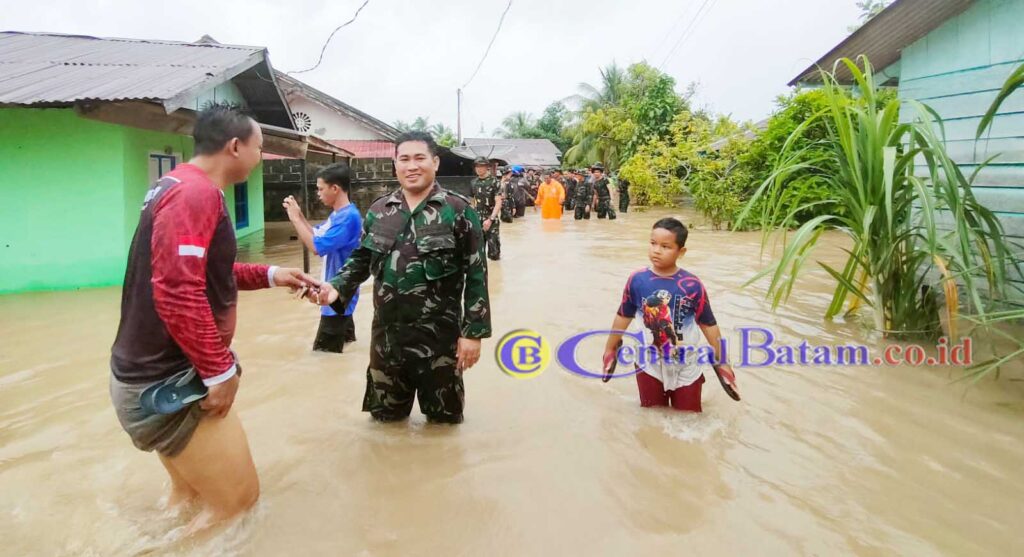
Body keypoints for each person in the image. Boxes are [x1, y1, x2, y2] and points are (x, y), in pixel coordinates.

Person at [109, 104, 319, 534]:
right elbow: (177, 291)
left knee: (189, 499)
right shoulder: (196, 194)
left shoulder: (175, 185)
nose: (260, 157)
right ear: (236, 146)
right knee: (239, 507)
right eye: (259, 148)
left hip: (147, 373)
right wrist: (219, 371)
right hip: (167, 380)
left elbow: (203, 274)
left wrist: (272, 274)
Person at [314, 132, 491, 424]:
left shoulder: (458, 210)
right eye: (404, 159)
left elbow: (476, 273)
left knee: (443, 426)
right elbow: (361, 259)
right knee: (385, 425)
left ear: (435, 162)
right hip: (387, 342)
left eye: (419, 158)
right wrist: (335, 287)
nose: (412, 166)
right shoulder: (379, 211)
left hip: (440, 343)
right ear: (395, 164)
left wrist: (473, 334)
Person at [601, 218, 737, 412]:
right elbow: (623, 315)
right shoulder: (637, 280)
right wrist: (609, 349)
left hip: (686, 362)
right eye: (653, 243)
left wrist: (723, 361)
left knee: (689, 416)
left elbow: (708, 325)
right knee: (652, 414)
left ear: (681, 252)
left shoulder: (692, 285)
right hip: (649, 360)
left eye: (666, 246)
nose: (656, 250)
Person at [282, 163, 362, 352]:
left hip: (337, 292)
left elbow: (317, 247)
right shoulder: (339, 215)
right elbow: (316, 236)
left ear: (335, 189)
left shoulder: (348, 217)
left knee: (324, 354)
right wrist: (300, 216)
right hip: (341, 290)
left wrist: (294, 219)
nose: (318, 194)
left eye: (320, 189)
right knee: (346, 347)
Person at [470, 156, 503, 260]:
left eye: (481, 166)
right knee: (478, 253)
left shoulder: (495, 182)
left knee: (494, 254)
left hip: (491, 219)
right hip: (477, 219)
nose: (478, 169)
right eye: (477, 166)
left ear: (487, 167)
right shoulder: (473, 183)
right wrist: (472, 218)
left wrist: (490, 219)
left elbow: (498, 202)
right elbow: (471, 202)